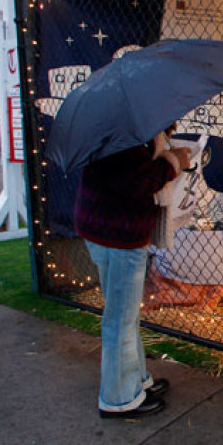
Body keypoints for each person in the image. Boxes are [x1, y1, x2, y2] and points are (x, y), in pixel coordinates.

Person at [74, 132, 191, 418]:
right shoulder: (126, 136)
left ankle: (134, 382)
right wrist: (174, 161)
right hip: (118, 234)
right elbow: (137, 182)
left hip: (106, 228)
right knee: (120, 321)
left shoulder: (121, 128)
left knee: (125, 317)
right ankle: (118, 399)